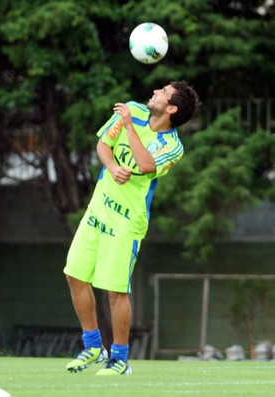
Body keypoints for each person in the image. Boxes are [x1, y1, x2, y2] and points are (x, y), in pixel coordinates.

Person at [64, 81, 200, 375]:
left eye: (163, 93)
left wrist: (129, 128)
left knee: (115, 290)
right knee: (74, 275)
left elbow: (147, 164)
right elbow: (103, 145)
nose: (154, 92)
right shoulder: (132, 110)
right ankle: (92, 346)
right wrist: (112, 167)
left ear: (171, 108)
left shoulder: (172, 146)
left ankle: (120, 359)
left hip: (127, 221)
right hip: (97, 209)